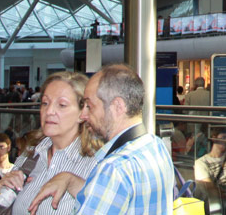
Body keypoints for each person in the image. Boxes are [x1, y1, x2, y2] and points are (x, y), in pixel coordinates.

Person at [28, 64, 174, 215]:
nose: (83, 115)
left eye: (90, 106)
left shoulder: (113, 168)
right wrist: (70, 180)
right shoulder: (155, 146)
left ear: (117, 106)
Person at [0, 72, 101, 215]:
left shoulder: (96, 164)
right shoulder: (30, 155)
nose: (49, 111)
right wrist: (1, 190)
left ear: (82, 113)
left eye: (62, 105)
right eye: (45, 103)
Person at [193, 129, 226, 208]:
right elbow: (208, 187)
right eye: (223, 137)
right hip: (214, 202)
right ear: (214, 138)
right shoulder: (201, 162)